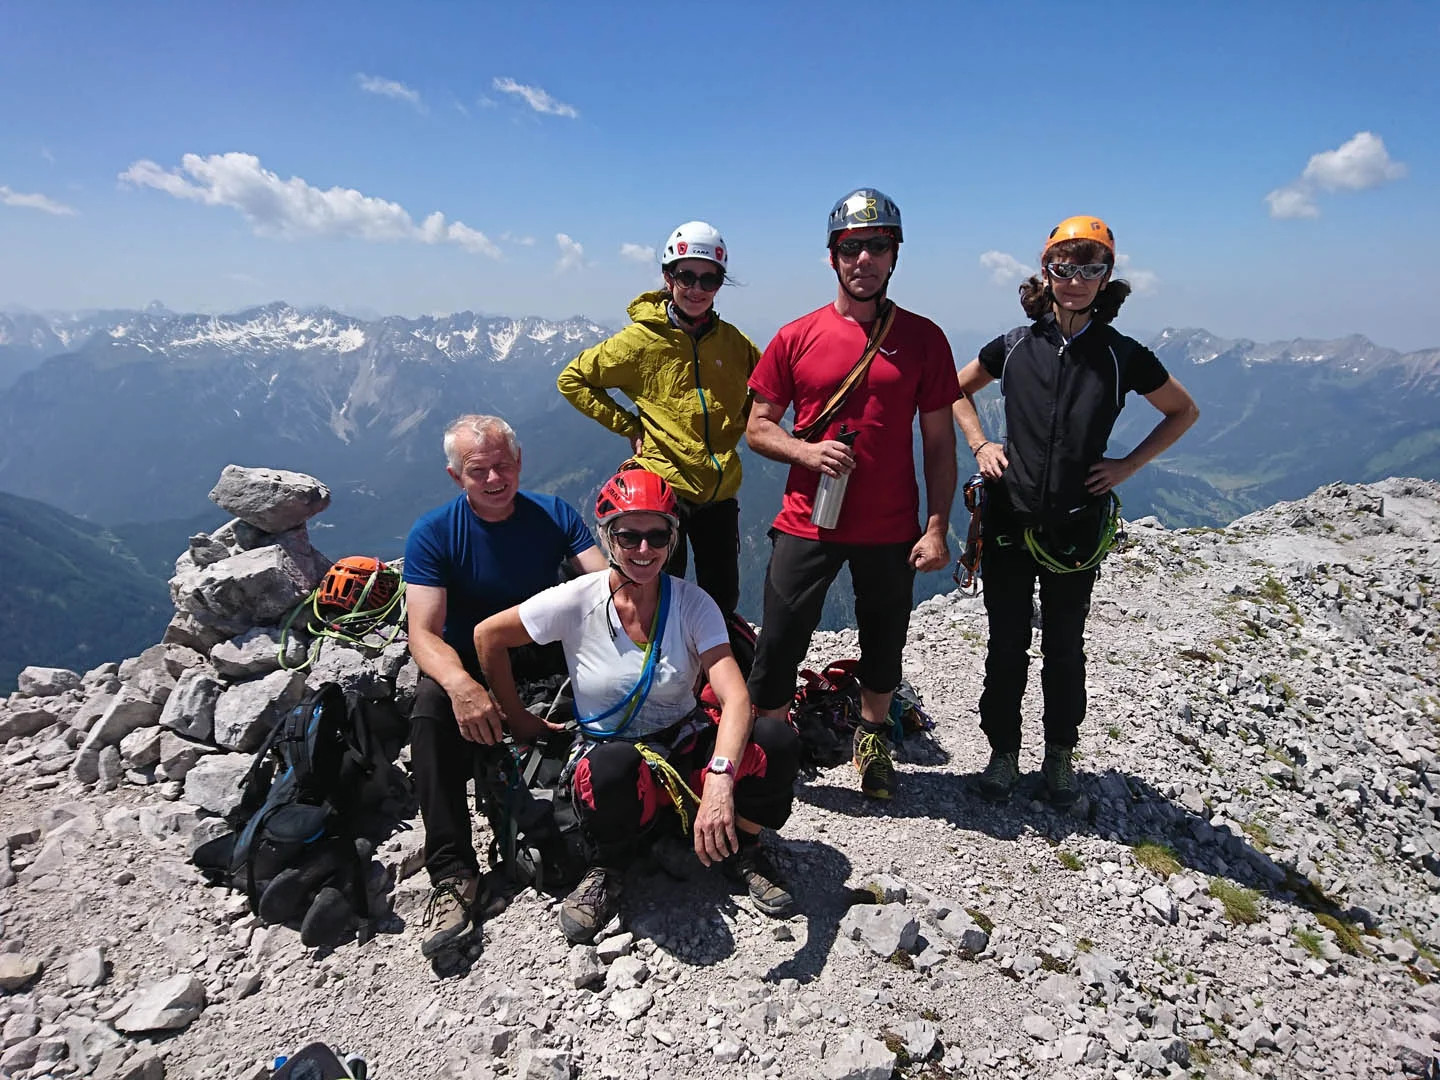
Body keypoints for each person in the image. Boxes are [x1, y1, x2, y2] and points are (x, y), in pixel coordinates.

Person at [474, 467, 800, 944]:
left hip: (684, 745)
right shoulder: (576, 599)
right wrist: (519, 720)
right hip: (613, 756)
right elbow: (488, 636)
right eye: (629, 535)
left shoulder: (694, 604)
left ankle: (741, 846)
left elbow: (735, 697)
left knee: (776, 740)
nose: (644, 550)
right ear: (607, 536)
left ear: (672, 537)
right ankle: (611, 864)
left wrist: (722, 776)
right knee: (611, 765)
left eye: (657, 535)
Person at [951, 215, 1200, 805]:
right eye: (1065, 267)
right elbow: (952, 391)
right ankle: (1003, 753)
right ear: (1047, 271)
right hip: (1011, 519)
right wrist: (982, 444)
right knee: (1006, 642)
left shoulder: (1121, 355)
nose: (1076, 279)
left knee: (1064, 646)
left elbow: (1183, 411)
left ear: (1107, 276)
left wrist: (1126, 466)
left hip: (1075, 527)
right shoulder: (1013, 346)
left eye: (1091, 268)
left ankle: (1059, 754)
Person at [743, 188, 959, 801]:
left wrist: (938, 526)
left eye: (877, 246)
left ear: (894, 255)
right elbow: (757, 427)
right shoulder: (796, 336)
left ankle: (872, 737)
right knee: (781, 636)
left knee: (885, 635)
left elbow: (940, 443)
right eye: (851, 246)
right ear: (833, 255)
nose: (864, 258)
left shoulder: (924, 339)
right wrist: (805, 453)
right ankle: (766, 744)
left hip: (891, 524)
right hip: (807, 519)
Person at [402, 414, 609, 958]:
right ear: (456, 476)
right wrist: (460, 686)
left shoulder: (555, 514)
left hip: (540, 645)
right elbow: (421, 634)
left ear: (519, 463)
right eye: (479, 470)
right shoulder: (434, 533)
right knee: (430, 708)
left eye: (502, 466)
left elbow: (602, 583)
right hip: (470, 656)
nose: (494, 479)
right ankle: (453, 874)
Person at [557, 222, 759, 617]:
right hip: (665, 487)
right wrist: (630, 427)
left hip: (719, 492)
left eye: (710, 278)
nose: (697, 288)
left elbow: (766, 393)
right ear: (669, 277)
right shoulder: (639, 341)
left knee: (723, 598)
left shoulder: (736, 344)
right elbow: (573, 379)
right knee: (662, 594)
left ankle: (711, 672)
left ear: (720, 283)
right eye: (687, 276)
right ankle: (659, 671)